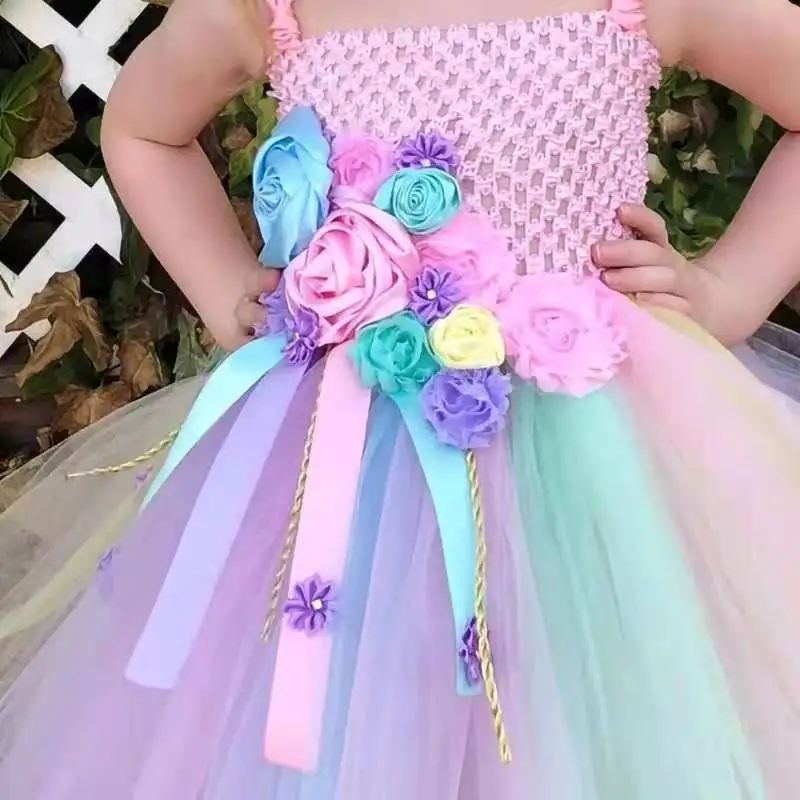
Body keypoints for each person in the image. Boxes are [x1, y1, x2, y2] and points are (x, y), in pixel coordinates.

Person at [1, 0, 800, 796]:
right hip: (355, 465)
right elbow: (143, 130)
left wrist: (728, 291)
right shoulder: (272, 7)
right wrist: (226, 289)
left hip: (599, 451)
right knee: (368, 714)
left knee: (589, 710)